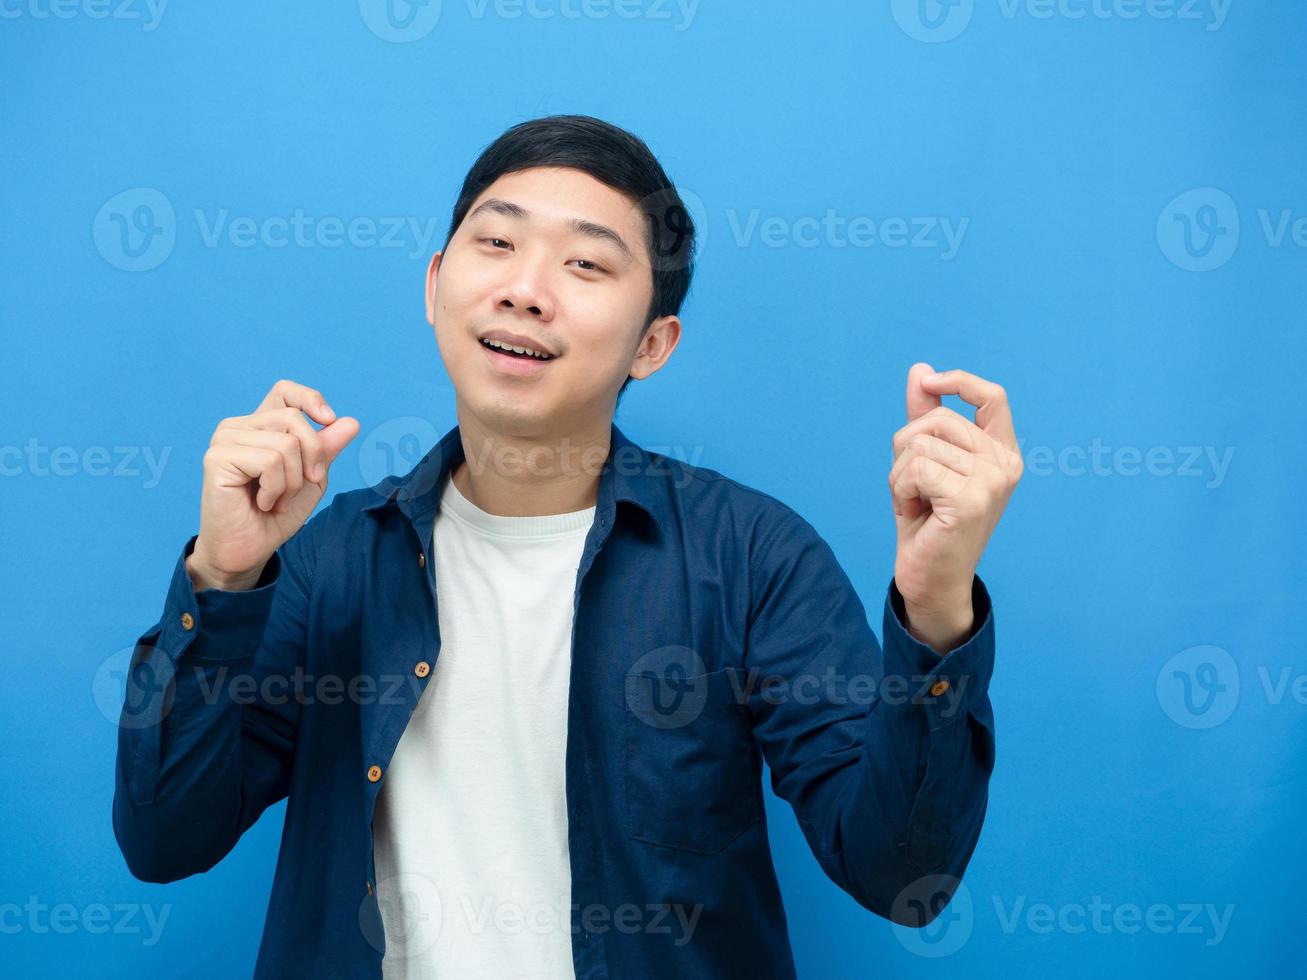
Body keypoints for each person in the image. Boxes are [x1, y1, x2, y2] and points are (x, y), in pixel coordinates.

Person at [112, 114, 1024, 979]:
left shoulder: (752, 557)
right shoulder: (329, 559)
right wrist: (224, 576)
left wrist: (937, 604)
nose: (524, 288)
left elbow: (903, 876)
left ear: (652, 343)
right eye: (497, 244)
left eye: (586, 263)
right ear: (435, 286)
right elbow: (164, 840)